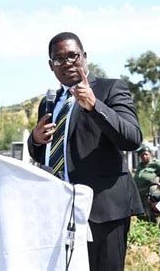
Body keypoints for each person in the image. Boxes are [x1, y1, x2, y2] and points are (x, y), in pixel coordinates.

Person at [28, 32, 143, 270]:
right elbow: (48, 155)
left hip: (103, 210)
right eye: (59, 59)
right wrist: (36, 142)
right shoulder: (48, 102)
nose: (68, 63)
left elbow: (132, 139)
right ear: (51, 66)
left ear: (85, 57)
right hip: (59, 210)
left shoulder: (110, 89)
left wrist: (95, 106)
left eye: (73, 56)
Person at [133, 146, 160, 222]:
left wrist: (158, 179)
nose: (144, 156)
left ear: (150, 154)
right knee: (142, 217)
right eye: (142, 155)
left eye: (146, 154)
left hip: (151, 196)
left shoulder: (156, 164)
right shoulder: (140, 166)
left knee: (154, 217)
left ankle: (157, 232)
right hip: (140, 196)